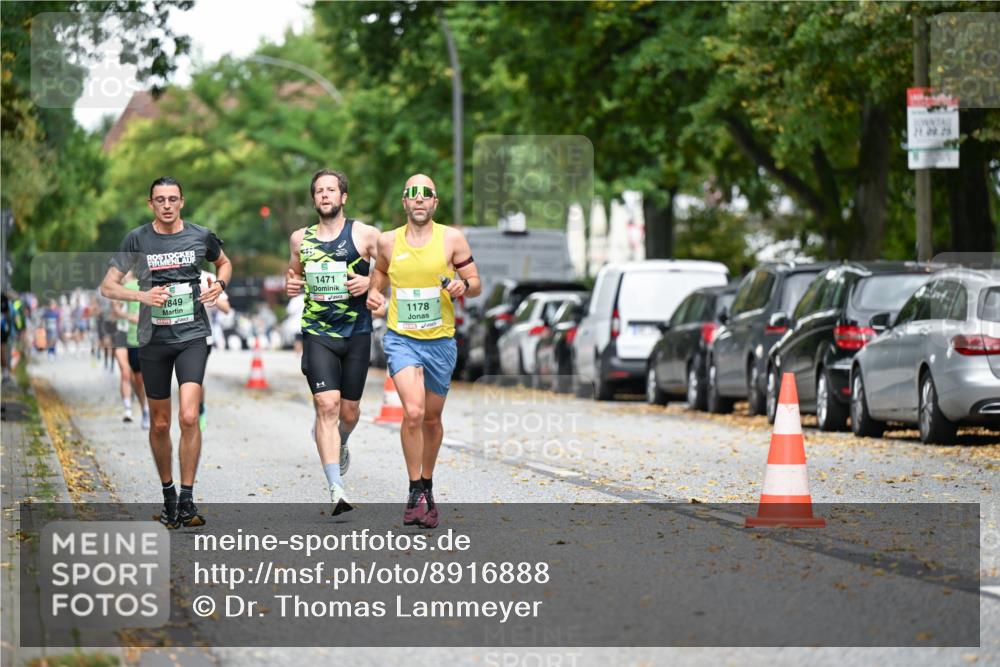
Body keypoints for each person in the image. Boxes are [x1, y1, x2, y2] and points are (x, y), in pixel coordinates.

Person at [100, 176, 232, 529]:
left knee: (189, 417)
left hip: (192, 335)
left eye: (173, 199)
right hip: (153, 340)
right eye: (160, 200)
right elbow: (108, 286)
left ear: (182, 202)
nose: (167, 205)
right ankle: (169, 494)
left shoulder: (200, 235)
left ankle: (188, 499)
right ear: (151, 204)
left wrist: (219, 285)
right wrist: (142, 296)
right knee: (160, 423)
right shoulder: (137, 238)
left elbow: (225, 263)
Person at [366, 174, 480, 529]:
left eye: (425, 194)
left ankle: (427, 484)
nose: (419, 200)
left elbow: (476, 284)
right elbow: (380, 274)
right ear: (404, 202)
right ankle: (414, 490)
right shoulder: (388, 241)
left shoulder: (452, 239)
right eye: (412, 194)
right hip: (402, 338)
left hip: (441, 341)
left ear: (435, 202)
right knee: (412, 412)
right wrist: (374, 292)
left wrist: (464, 286)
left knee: (431, 418)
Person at [286, 169, 379, 516]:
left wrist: (370, 284)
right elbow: (293, 272)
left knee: (349, 413)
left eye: (331, 190)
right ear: (314, 199)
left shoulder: (366, 235)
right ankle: (336, 490)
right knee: (327, 405)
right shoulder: (300, 239)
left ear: (343, 197)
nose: (325, 195)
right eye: (319, 191)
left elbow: (388, 272)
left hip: (356, 333)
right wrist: (291, 284)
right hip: (318, 332)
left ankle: (342, 442)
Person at [112, 271, 150, 429]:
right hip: (121, 334)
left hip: (135, 336)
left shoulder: (137, 285)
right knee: (124, 371)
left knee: (138, 378)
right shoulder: (116, 288)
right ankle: (128, 408)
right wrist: (128, 316)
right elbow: (115, 311)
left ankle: (145, 408)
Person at [198, 269, 231, 431]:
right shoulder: (171, 272)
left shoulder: (208, 278)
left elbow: (226, 308)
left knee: (196, 380)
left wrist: (212, 296)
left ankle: (199, 409)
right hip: (175, 338)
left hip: (203, 338)